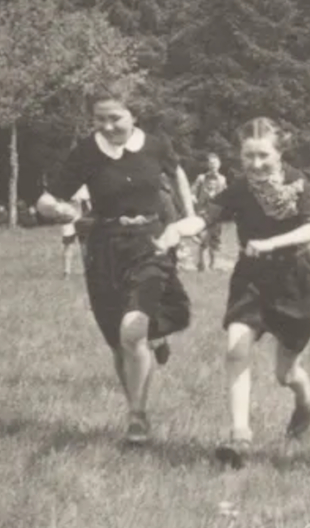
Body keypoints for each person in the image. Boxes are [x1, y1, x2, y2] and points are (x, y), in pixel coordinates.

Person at [164, 119, 310, 464]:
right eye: (248, 156)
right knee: (236, 348)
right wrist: (179, 227)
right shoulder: (240, 189)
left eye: (263, 156)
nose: (255, 164)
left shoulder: (299, 183)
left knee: (286, 374)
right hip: (251, 279)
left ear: (279, 152)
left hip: (295, 281)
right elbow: (206, 218)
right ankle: (240, 435)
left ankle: (306, 399)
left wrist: (271, 242)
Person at [36, 91, 196, 445]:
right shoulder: (86, 153)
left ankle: (137, 416)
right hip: (105, 247)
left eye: (116, 118)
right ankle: (148, 358)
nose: (108, 126)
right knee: (118, 343)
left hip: (150, 242)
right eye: (100, 119)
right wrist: (54, 209)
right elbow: (50, 197)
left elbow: (178, 172)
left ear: (133, 116)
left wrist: (190, 215)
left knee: (131, 331)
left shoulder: (155, 146)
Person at [191, 153, 231, 272]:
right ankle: (202, 265)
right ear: (208, 165)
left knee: (215, 240)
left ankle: (213, 265)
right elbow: (192, 191)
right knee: (203, 238)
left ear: (219, 165)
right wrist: (193, 196)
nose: (213, 166)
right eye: (211, 163)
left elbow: (227, 195)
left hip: (217, 214)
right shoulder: (201, 178)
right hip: (203, 212)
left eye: (215, 163)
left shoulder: (223, 179)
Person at [61, 185, 92, 279]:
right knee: (68, 245)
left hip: (81, 220)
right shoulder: (65, 185)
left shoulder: (84, 188)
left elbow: (89, 206)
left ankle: (87, 270)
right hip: (68, 220)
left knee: (84, 245)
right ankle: (67, 271)